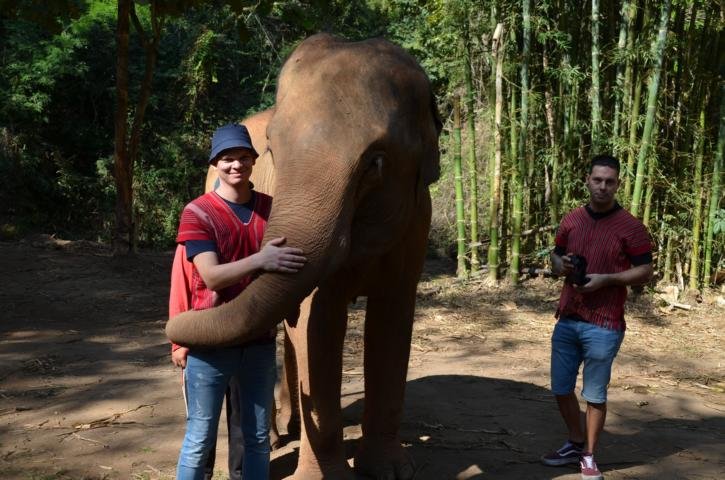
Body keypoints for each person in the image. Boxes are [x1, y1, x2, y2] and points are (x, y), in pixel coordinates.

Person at [170, 123, 306, 480]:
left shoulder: (272, 209)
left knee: (257, 437)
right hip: (210, 341)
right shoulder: (198, 213)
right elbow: (212, 276)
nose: (236, 165)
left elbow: (288, 264)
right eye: (228, 158)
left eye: (244, 157)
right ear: (215, 163)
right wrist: (262, 260)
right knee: (199, 438)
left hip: (259, 341)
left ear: (254, 161)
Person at [541, 155, 653, 480]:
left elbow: (645, 270)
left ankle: (589, 455)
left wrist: (607, 280)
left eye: (609, 181)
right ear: (587, 181)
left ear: (617, 185)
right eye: (597, 180)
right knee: (561, 387)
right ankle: (575, 442)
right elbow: (555, 255)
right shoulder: (572, 219)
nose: (603, 186)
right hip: (568, 316)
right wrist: (560, 265)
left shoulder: (631, 227)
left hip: (604, 323)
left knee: (594, 395)